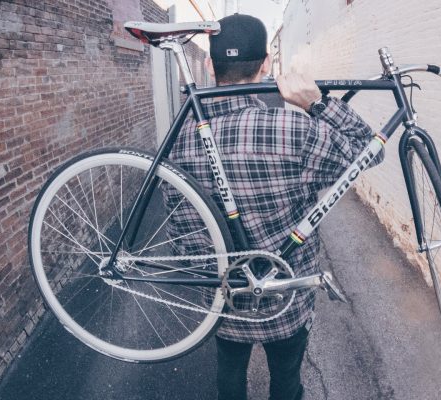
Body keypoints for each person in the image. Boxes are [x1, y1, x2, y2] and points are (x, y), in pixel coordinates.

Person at [169, 14, 379, 400]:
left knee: (229, 376)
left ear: (211, 66)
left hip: (226, 301)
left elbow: (181, 231)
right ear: (266, 64)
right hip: (287, 301)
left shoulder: (179, 140)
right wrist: (318, 104)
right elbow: (369, 151)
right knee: (286, 380)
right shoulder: (291, 130)